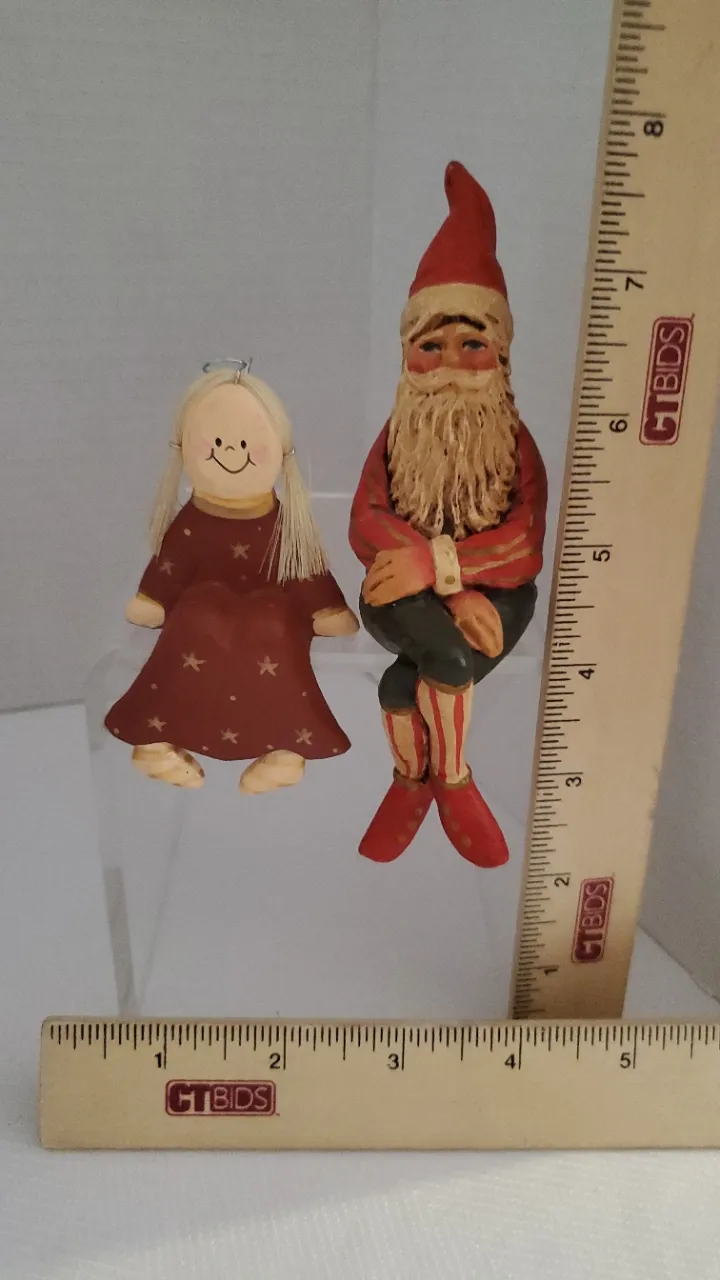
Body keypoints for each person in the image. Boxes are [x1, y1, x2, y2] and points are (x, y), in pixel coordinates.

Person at [349, 161, 547, 867]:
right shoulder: (396, 437)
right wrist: (449, 587)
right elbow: (366, 519)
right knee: (449, 656)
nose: (451, 364)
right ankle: (455, 783)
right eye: (429, 346)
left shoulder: (515, 445)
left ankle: (413, 783)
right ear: (407, 355)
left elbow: (525, 542)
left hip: (500, 594)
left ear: (501, 353)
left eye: (472, 344)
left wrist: (443, 567)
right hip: (396, 592)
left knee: (402, 681)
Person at [106, 364, 358, 792]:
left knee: (272, 625)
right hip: (200, 617)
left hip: (271, 620)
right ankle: (155, 742)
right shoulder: (190, 524)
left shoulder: (284, 526)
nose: (230, 451)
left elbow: (305, 570)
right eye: (218, 441)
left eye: (244, 442)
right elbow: (171, 565)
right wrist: (154, 599)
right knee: (195, 617)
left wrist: (325, 607)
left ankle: (285, 750)